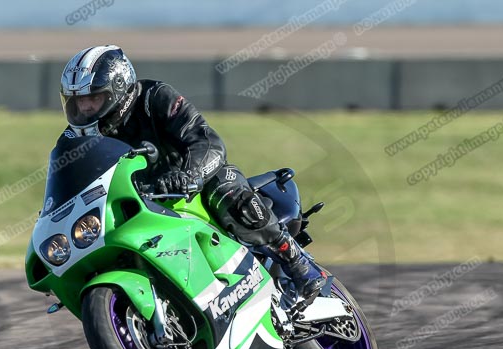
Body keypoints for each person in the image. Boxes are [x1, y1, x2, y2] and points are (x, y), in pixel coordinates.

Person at [58, 45, 326, 299]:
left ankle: (296, 262)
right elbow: (69, 180)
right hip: (139, 200)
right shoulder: (75, 138)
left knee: (226, 191)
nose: (85, 109)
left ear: (117, 90)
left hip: (192, 182)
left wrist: (190, 174)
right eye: (78, 101)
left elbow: (208, 141)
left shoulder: (154, 98)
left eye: (93, 98)